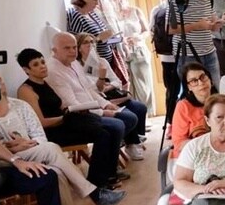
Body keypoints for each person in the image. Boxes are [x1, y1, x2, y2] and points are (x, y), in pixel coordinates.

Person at [0, 68, 124, 205]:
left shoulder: (20, 106)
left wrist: (29, 144)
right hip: (2, 161)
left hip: (31, 151)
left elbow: (39, 135)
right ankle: (94, 193)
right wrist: (9, 149)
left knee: (57, 172)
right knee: (51, 149)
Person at [16, 48, 125, 191]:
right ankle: (97, 181)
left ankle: (109, 174)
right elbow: (40, 123)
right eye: (36, 64)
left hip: (64, 123)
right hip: (51, 132)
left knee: (113, 128)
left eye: (43, 62)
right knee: (102, 134)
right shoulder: (26, 90)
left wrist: (74, 111)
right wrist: (65, 118)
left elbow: (60, 106)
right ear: (26, 69)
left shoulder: (45, 83)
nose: (42, 66)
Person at [45, 32, 148, 161]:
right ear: (54, 50)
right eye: (67, 48)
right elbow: (73, 105)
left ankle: (112, 154)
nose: (72, 51)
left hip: (99, 101)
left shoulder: (76, 63)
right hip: (79, 115)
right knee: (117, 126)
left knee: (131, 115)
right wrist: (102, 111)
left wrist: (106, 104)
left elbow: (89, 89)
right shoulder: (54, 70)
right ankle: (106, 163)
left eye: (74, 47)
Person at [172, 62, 225, 159]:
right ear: (188, 87)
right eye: (194, 81)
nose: (201, 83)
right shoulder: (183, 106)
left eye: (203, 77)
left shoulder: (224, 102)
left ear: (211, 80)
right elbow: (179, 142)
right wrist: (210, 149)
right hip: (195, 156)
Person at [167, 0, 222, 84]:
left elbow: (210, 16)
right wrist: (196, 26)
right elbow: (169, 29)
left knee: (216, 89)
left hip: (210, 51)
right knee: (194, 91)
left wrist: (214, 24)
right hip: (188, 54)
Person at [66, 0, 126, 87]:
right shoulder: (75, 15)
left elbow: (104, 40)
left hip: (107, 60)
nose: (97, 3)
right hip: (92, 65)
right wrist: (98, 38)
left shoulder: (92, 13)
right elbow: (79, 42)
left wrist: (118, 40)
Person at [109, 0, 154, 106]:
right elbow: (107, 40)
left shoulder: (135, 11)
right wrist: (120, 40)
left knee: (143, 85)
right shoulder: (110, 17)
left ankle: (146, 113)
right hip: (122, 53)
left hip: (138, 50)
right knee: (127, 85)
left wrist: (137, 37)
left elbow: (147, 31)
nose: (118, 0)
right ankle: (135, 114)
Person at [149, 0, 182, 120]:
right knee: (178, 90)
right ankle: (173, 122)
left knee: (171, 90)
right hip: (180, 54)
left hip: (167, 57)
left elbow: (152, 31)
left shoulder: (157, 10)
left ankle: (171, 122)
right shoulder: (181, 8)